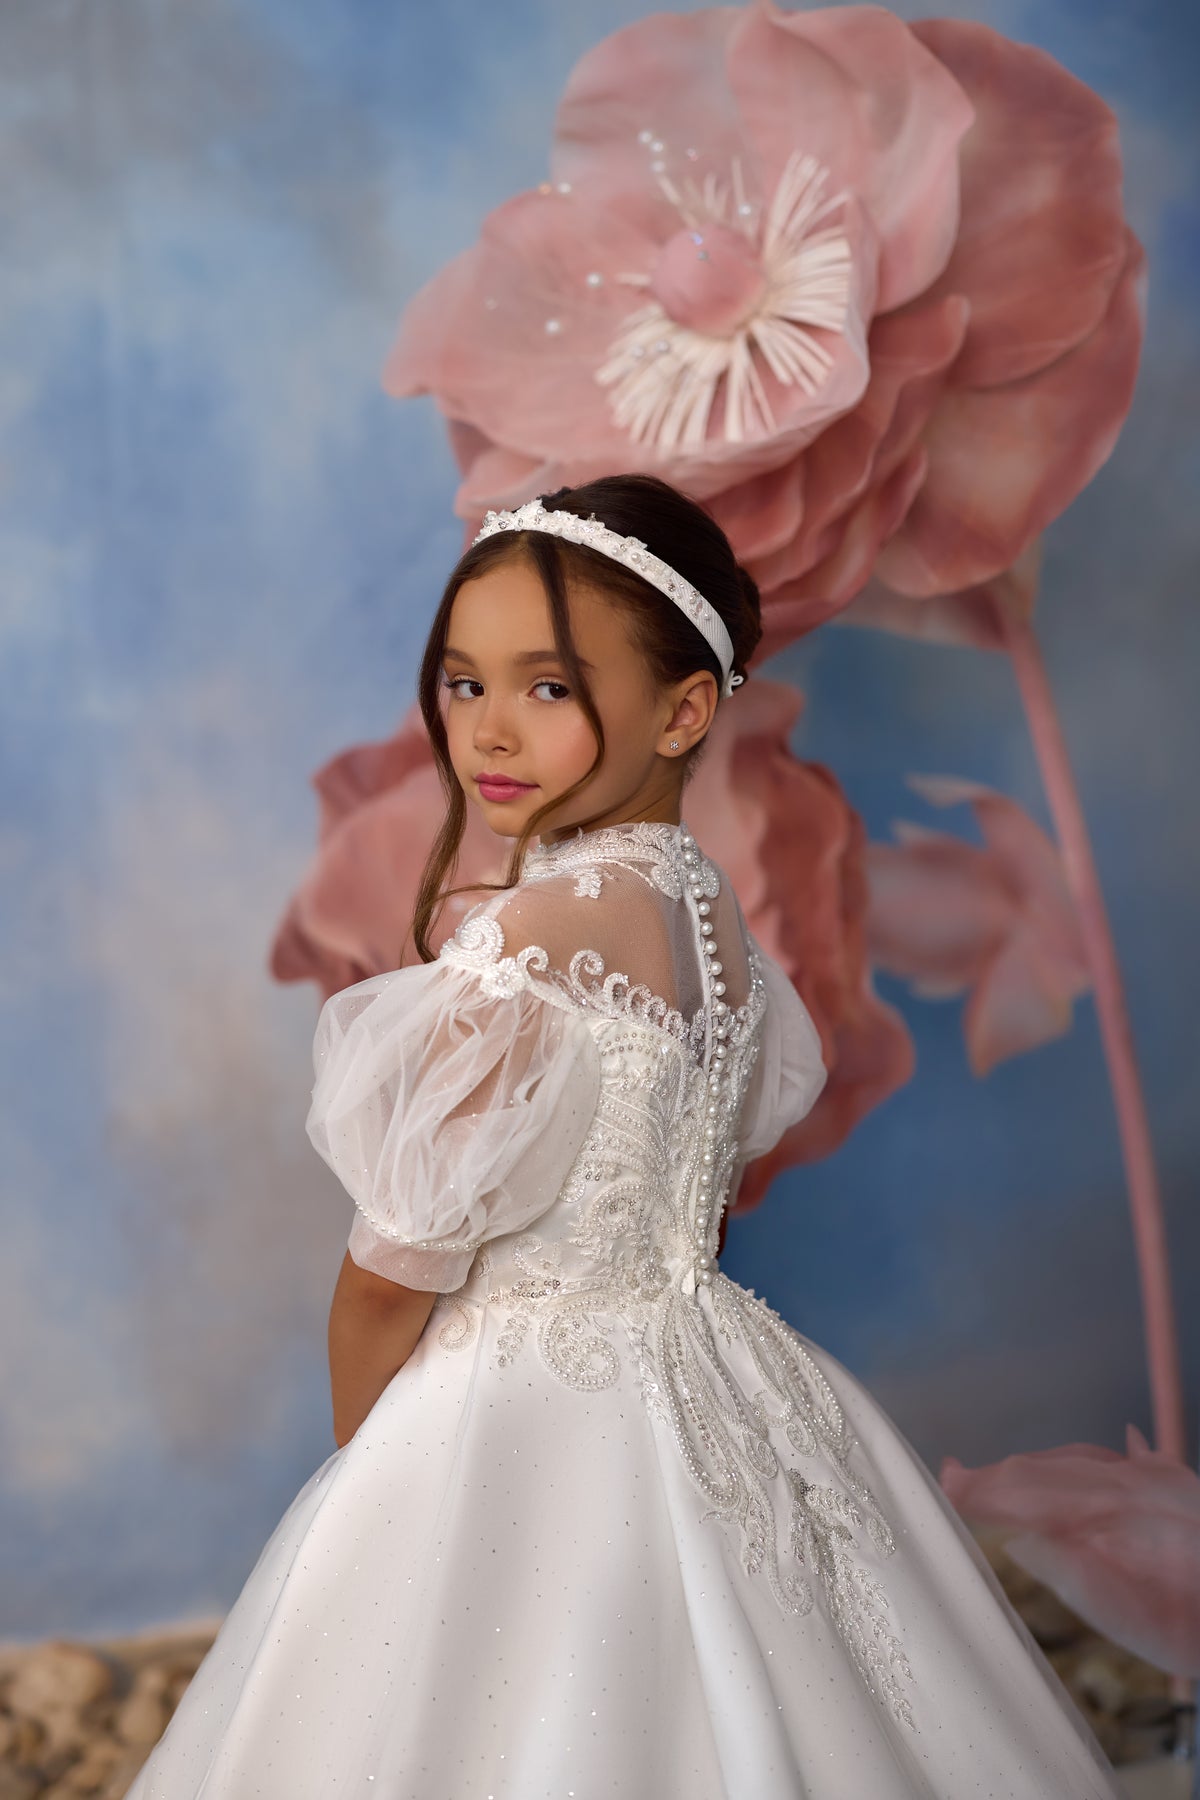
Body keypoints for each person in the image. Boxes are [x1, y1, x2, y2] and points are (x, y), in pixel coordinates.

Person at [126, 475, 1123, 1799]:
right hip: (719, 1367)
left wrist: (374, 1485)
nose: (487, 729)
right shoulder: (714, 921)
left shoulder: (526, 944)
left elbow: (388, 1276)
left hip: (523, 1403)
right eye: (463, 682)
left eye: (548, 687)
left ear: (684, 709)